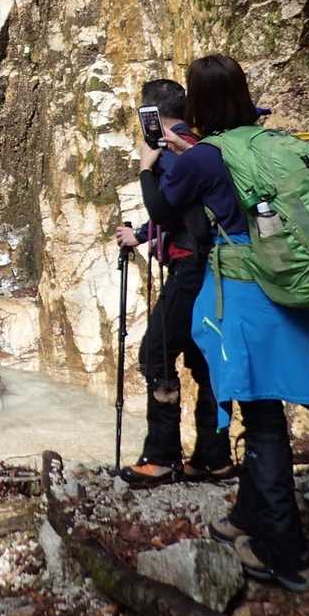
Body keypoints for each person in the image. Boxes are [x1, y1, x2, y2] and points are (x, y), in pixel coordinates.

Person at [143, 54, 309, 593]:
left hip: (244, 298)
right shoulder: (265, 140)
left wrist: (148, 163)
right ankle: (248, 516)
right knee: (265, 408)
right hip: (285, 286)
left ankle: (287, 555)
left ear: (198, 104)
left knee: (263, 419)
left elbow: (162, 210)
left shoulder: (204, 157)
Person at [116, 78, 233, 488]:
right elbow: (185, 208)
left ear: (151, 114)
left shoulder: (169, 151)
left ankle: (162, 457)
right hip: (214, 268)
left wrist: (145, 168)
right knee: (202, 359)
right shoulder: (196, 143)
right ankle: (213, 458)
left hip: (191, 269)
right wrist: (140, 235)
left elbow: (164, 209)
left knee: (156, 353)